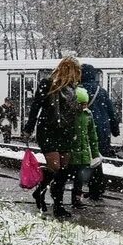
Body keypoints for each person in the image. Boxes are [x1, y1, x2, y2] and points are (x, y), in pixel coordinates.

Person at [25, 56, 83, 218]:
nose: (77, 75)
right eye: (76, 71)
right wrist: (29, 128)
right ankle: (42, 192)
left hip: (66, 131)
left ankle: (57, 204)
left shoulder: (74, 90)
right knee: (55, 166)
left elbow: (73, 111)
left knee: (63, 169)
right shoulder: (47, 84)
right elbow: (36, 106)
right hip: (49, 129)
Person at [81, 63, 120, 200]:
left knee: (84, 160)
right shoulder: (101, 90)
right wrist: (115, 129)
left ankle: (86, 189)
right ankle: (97, 189)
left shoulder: (79, 90)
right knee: (96, 160)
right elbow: (111, 112)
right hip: (102, 130)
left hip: (86, 129)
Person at [69, 87, 102, 208]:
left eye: (85, 104)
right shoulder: (70, 115)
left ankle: (77, 199)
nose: (84, 106)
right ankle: (58, 196)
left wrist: (95, 153)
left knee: (80, 178)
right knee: (66, 175)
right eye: (81, 104)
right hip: (72, 152)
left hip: (83, 153)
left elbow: (93, 136)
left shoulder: (88, 115)